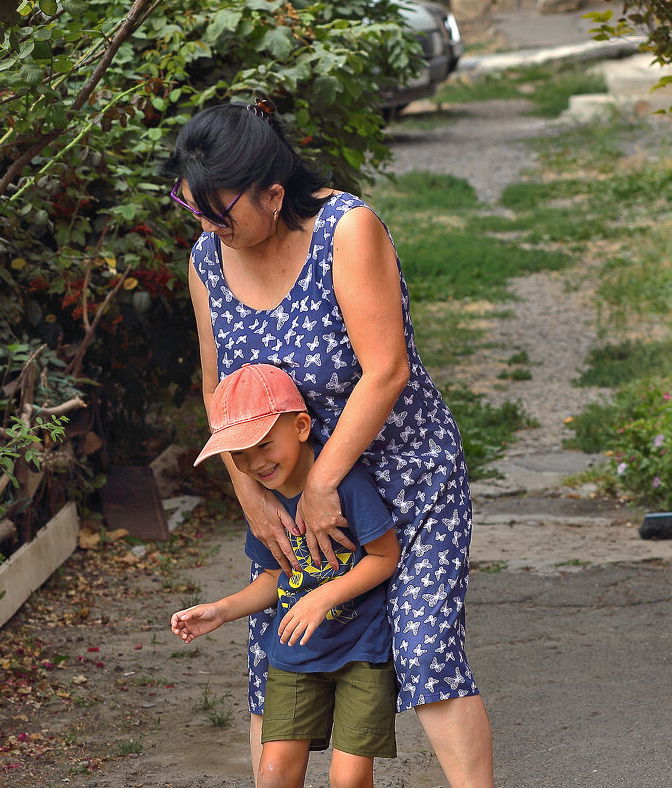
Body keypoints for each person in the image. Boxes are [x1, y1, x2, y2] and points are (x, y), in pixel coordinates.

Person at [162, 99, 494, 788]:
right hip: (285, 480)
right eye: (193, 209)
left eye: (220, 214)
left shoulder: (346, 230)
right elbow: (216, 391)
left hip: (406, 477)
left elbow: (387, 370)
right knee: (276, 652)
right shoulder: (206, 260)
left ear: (273, 194)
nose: (206, 227)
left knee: (426, 650)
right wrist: (251, 492)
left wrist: (323, 485)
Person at [171, 363, 402, 788]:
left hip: (361, 650)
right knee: (274, 774)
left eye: (262, 445)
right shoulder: (265, 505)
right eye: (238, 454)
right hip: (295, 657)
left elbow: (385, 557)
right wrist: (223, 610)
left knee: (349, 778)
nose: (253, 463)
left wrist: (324, 596)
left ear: (299, 427)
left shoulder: (343, 485)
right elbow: (275, 578)